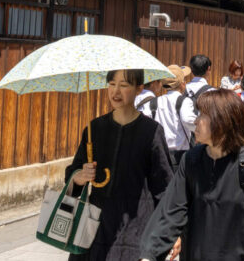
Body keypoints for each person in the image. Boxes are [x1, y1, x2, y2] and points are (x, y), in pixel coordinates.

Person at [139, 90, 244, 261]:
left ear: (221, 121)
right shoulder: (191, 160)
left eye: (202, 115)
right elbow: (172, 209)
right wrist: (150, 253)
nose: (195, 121)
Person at [65, 69, 172, 261]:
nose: (115, 92)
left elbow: (164, 187)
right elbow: (72, 177)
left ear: (139, 88)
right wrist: (79, 177)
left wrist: (169, 233)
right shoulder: (94, 129)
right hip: (95, 227)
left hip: (135, 226)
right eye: (112, 84)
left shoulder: (151, 131)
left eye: (124, 85)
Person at [152, 64, 197, 168]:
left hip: (160, 154)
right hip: (180, 156)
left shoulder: (155, 102)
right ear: (182, 84)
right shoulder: (184, 101)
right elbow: (188, 119)